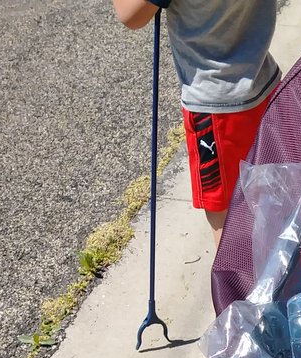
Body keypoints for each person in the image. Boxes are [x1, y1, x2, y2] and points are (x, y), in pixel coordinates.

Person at [113, 0, 280, 242]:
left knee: (227, 218)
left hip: (215, 105)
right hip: (265, 82)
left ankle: (242, 279)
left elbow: (131, 15)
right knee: (269, 199)